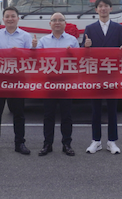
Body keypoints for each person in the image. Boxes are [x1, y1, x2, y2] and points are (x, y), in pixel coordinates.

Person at [0, 6, 35, 156]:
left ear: (18, 18)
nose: (10, 19)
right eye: (7, 16)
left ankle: (20, 143)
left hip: (18, 78)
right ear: (3, 19)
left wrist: (33, 48)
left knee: (18, 113)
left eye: (13, 16)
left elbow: (32, 57)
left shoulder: (25, 36)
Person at [81, 0, 122, 154]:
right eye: (100, 6)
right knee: (96, 109)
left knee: (112, 108)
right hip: (96, 74)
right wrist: (85, 46)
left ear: (111, 9)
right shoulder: (90, 28)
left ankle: (112, 141)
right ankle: (96, 140)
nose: (103, 8)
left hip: (112, 73)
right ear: (96, 10)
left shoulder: (118, 28)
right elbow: (83, 52)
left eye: (106, 6)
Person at [37, 12, 79, 156]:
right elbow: (36, 60)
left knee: (66, 115)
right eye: (54, 20)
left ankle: (67, 144)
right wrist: (33, 48)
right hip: (49, 83)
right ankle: (47, 144)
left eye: (60, 20)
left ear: (65, 23)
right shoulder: (43, 41)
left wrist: (72, 54)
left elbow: (79, 61)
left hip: (66, 83)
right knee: (48, 115)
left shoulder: (72, 40)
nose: (57, 22)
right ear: (50, 24)